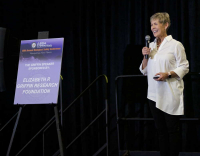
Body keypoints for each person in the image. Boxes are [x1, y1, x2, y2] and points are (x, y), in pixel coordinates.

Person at [139, 12, 189, 156]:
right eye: (151, 24)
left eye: (156, 24)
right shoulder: (151, 46)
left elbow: (184, 67)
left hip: (170, 94)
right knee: (160, 131)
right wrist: (145, 57)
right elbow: (144, 71)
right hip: (154, 95)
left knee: (172, 130)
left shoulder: (175, 45)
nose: (152, 27)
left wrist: (167, 74)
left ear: (165, 25)